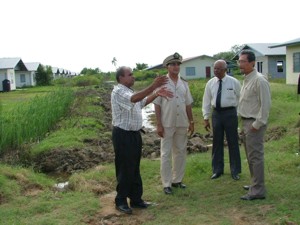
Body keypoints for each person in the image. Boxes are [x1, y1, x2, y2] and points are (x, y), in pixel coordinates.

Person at [111, 66, 173, 214]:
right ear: (121, 78)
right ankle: (120, 201)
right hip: (123, 135)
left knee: (134, 167)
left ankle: (136, 200)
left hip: (134, 134)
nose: (133, 77)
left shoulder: (129, 91)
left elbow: (142, 102)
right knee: (125, 168)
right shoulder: (119, 91)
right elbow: (134, 99)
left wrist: (156, 93)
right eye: (130, 75)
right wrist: (153, 86)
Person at [153, 52, 194, 195]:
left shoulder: (184, 84)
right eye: (173, 64)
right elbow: (157, 105)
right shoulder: (162, 83)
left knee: (180, 152)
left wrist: (191, 121)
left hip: (182, 122)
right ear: (167, 67)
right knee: (165, 153)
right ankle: (166, 183)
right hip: (167, 123)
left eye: (178, 64)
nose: (176, 67)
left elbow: (188, 104)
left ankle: (177, 180)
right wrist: (158, 124)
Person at [238, 50, 271, 201]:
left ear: (252, 63)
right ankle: (255, 183)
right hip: (245, 122)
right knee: (250, 156)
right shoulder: (247, 79)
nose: (240, 64)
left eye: (243, 61)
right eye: (239, 61)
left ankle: (258, 190)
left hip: (254, 123)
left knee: (256, 156)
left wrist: (257, 124)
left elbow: (265, 105)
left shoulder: (259, 80)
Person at [202, 59, 242, 180]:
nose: (216, 71)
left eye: (219, 69)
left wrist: (239, 115)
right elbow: (206, 101)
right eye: (214, 68)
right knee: (217, 142)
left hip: (230, 113)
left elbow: (241, 99)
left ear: (225, 69)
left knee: (233, 142)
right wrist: (206, 117)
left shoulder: (234, 82)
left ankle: (235, 171)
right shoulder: (210, 83)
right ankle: (217, 170)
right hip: (217, 114)